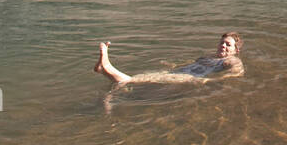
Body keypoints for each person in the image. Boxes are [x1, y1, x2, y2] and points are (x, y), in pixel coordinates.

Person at [94, 32, 244, 86]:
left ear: (236, 50)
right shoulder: (210, 56)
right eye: (221, 42)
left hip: (191, 77)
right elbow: (194, 62)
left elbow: (235, 74)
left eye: (228, 44)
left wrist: (208, 81)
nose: (223, 46)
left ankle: (107, 68)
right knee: (145, 77)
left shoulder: (233, 61)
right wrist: (174, 64)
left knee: (133, 80)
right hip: (183, 71)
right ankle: (104, 70)